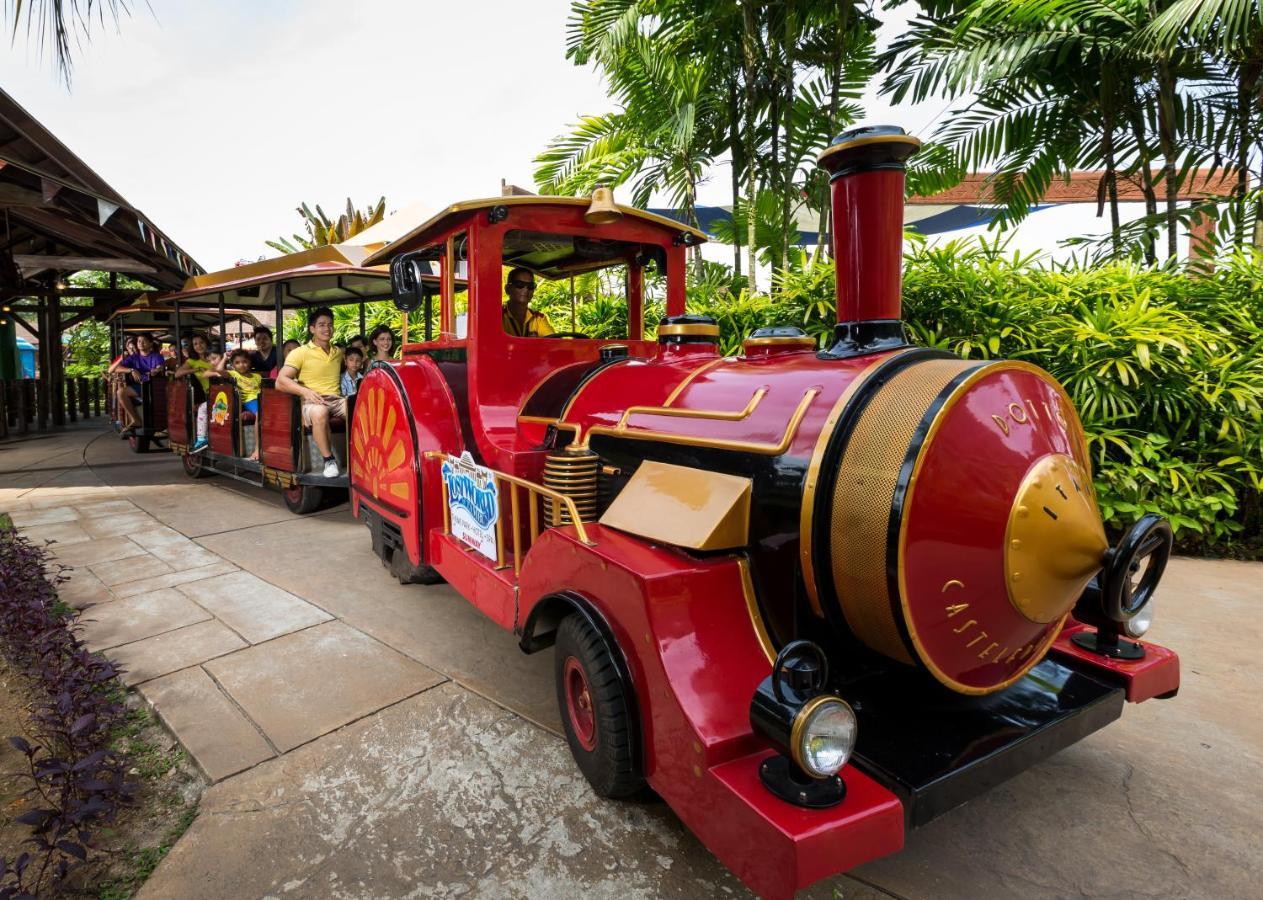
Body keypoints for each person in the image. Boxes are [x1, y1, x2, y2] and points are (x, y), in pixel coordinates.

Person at [276, 307, 345, 478]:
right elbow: (280, 381)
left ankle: (362, 456)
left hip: (336, 400)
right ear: (312, 329)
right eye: (321, 325)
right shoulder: (300, 353)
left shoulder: (338, 353)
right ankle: (329, 460)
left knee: (360, 408)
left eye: (330, 325)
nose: (327, 328)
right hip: (312, 402)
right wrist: (305, 392)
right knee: (320, 412)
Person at [107, 332, 167, 434]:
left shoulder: (156, 356)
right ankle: (135, 420)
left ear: (151, 343)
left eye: (144, 341)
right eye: (139, 341)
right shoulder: (134, 357)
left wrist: (156, 370)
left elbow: (159, 367)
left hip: (152, 387)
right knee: (120, 392)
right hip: (139, 386)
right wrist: (131, 370)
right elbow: (114, 369)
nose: (140, 343)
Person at [216, 348, 263, 460]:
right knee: (259, 414)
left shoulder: (257, 376)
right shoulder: (234, 374)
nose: (242, 365)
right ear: (232, 365)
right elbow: (218, 370)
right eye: (237, 362)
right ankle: (257, 449)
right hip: (250, 401)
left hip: (262, 398)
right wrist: (224, 358)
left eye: (245, 361)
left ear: (249, 363)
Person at [502, 267, 554, 337]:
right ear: (507, 289)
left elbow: (553, 343)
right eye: (519, 284)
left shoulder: (539, 318)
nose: (526, 289)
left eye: (530, 286)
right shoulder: (496, 317)